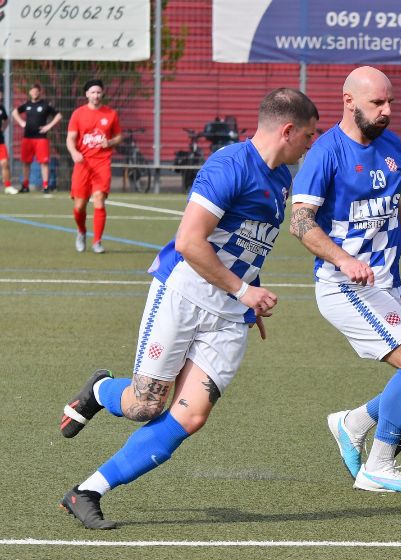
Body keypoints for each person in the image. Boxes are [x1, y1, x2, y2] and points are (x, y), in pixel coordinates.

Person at [57, 88, 319, 529]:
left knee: (191, 415)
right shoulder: (229, 165)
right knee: (145, 407)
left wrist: (249, 297)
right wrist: (244, 291)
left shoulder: (281, 179)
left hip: (229, 314)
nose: (312, 144)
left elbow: (245, 246)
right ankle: (101, 390)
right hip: (184, 295)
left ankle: (87, 492)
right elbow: (189, 242)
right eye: (310, 135)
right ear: (288, 130)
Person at [288, 66, 401, 494]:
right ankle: (379, 466)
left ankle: (354, 423)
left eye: (389, 102)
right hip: (345, 287)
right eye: (377, 103)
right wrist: (344, 260)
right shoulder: (326, 152)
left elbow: (394, 206)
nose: (386, 111)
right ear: (348, 101)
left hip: (389, 283)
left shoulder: (391, 144)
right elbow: (300, 221)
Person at [66, 79, 123, 254]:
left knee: (99, 199)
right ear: (87, 94)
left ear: (102, 93)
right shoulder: (78, 114)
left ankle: (97, 241)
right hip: (83, 164)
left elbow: (119, 136)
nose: (96, 95)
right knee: (79, 206)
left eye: (98, 92)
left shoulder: (111, 114)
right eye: (92, 92)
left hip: (102, 163)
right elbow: (70, 138)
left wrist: (110, 142)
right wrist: (74, 153)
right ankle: (81, 231)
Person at [12, 83, 62, 194]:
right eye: (32, 91)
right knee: (26, 162)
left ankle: (45, 186)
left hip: (41, 138)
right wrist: (21, 122)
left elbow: (58, 115)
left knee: (44, 162)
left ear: (39, 92)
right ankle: (25, 185)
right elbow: (14, 112)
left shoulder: (45, 105)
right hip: (28, 138)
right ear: (30, 92)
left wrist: (48, 126)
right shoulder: (27, 104)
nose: (34, 93)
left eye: (36, 91)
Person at [0, 91, 18, 194]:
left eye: (1, 94)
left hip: (0, 142)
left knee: (5, 163)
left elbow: (6, 120)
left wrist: (3, 128)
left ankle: (7, 186)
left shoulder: (1, 108)